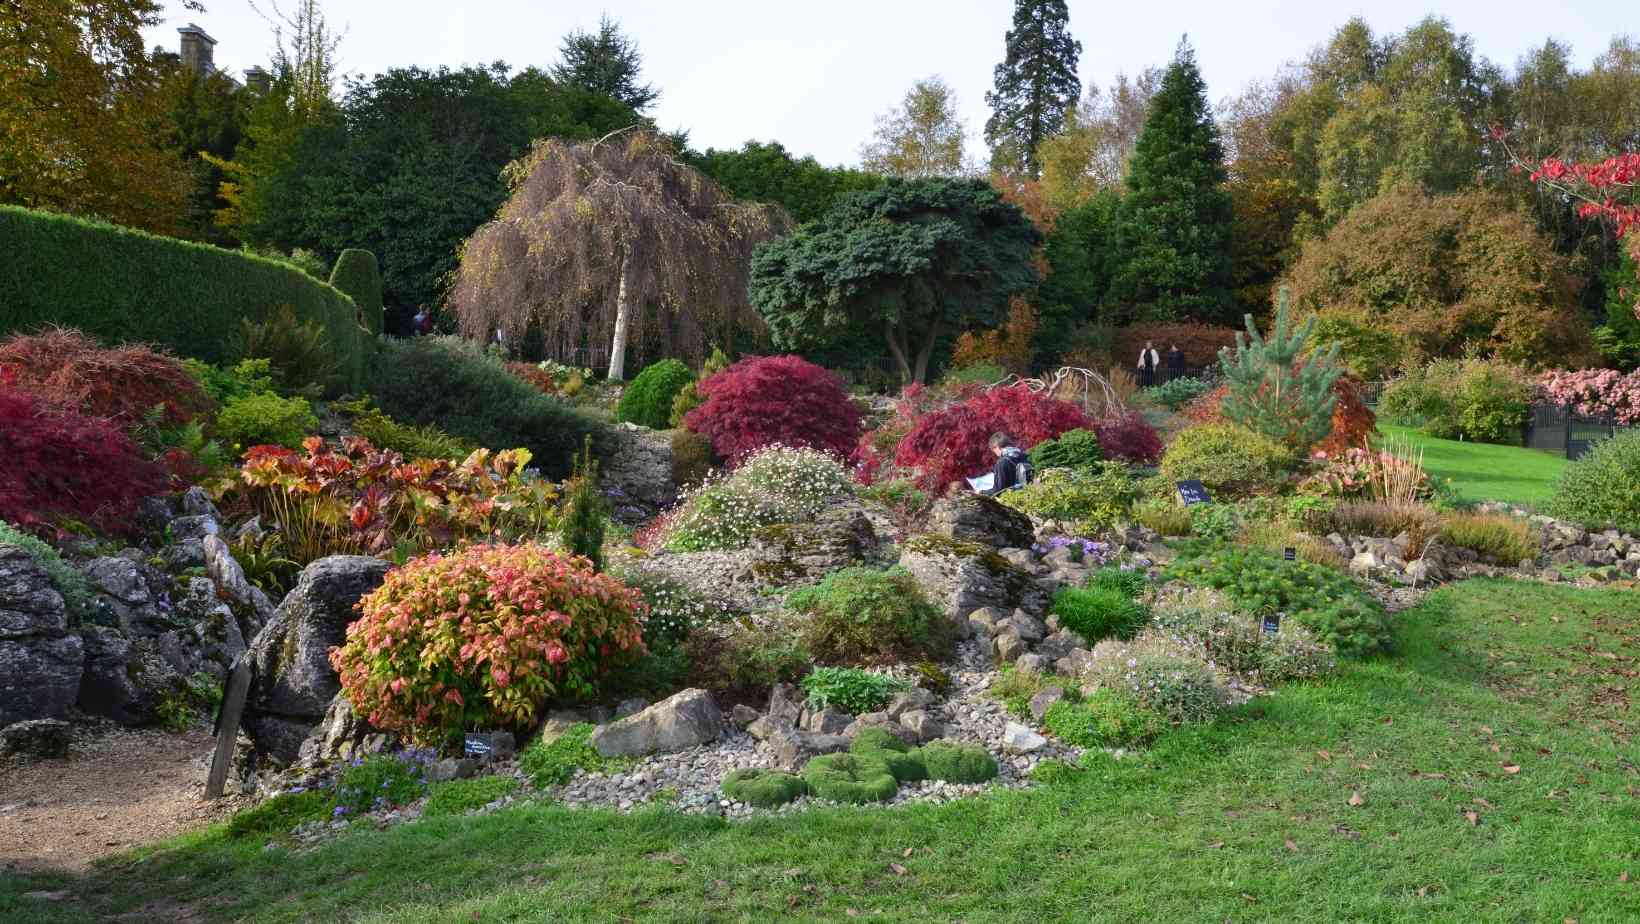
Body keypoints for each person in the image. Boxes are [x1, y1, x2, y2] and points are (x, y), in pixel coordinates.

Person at [980, 431, 1030, 496]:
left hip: (1013, 499)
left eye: (993, 450)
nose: (995, 453)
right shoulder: (1024, 455)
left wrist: (982, 492)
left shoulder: (1002, 462)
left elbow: (999, 490)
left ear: (997, 447)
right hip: (1029, 494)